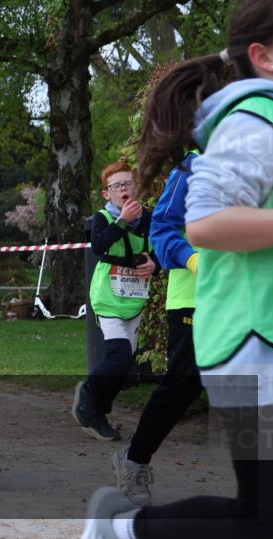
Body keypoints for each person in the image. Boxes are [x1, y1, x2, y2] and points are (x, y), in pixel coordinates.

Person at [82, 0, 273, 539]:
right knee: (265, 518)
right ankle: (123, 529)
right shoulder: (254, 121)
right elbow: (203, 223)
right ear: (264, 57)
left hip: (260, 341)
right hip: (253, 347)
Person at [109, 150, 204, 506]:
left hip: (252, 298)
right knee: (184, 383)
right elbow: (163, 228)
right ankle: (134, 459)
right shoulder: (193, 164)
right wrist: (194, 260)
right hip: (195, 296)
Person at [73, 162, 158, 442]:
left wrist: (153, 265)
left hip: (134, 297)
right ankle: (88, 397)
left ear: (137, 188)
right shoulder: (102, 218)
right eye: (116, 186)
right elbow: (98, 246)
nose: (123, 189)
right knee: (119, 355)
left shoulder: (148, 219)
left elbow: (159, 250)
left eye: (128, 184)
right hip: (107, 296)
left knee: (124, 364)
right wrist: (121, 220)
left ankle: (97, 412)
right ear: (107, 194)